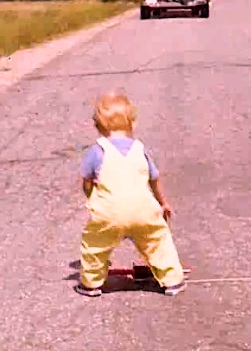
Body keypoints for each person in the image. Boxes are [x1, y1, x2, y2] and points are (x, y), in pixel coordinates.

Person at [75, 92, 187, 297]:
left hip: (109, 212)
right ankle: (172, 280)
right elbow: (154, 178)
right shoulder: (139, 149)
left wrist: (92, 196)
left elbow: (86, 181)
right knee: (157, 240)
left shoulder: (97, 151)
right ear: (133, 124)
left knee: (94, 245)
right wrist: (164, 203)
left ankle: (90, 283)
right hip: (143, 209)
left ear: (98, 126)